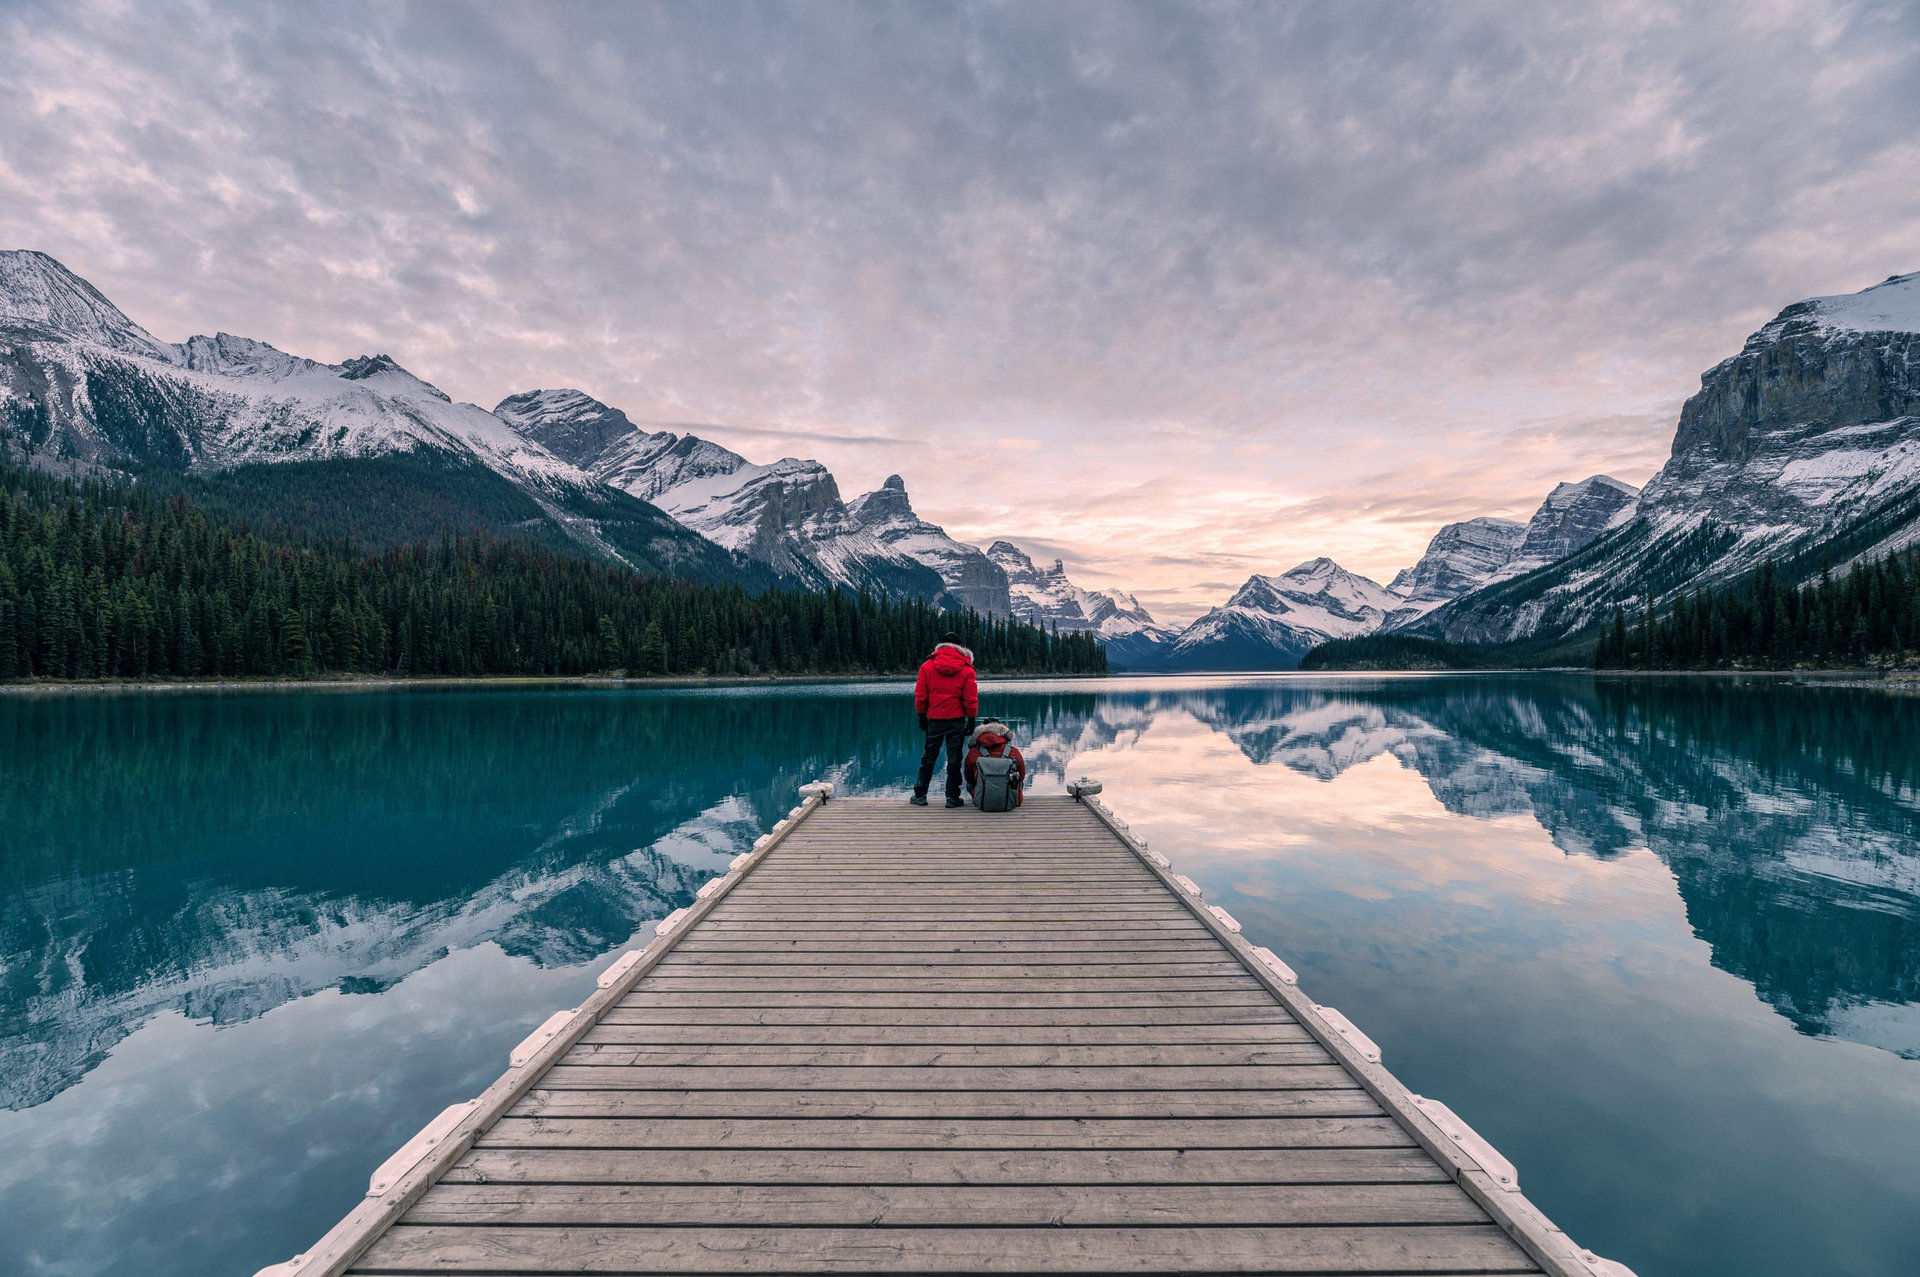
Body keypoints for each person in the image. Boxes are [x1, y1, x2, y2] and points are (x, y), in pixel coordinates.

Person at [911, 632, 977, 807]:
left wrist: (921, 715)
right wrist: (971, 719)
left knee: (929, 757)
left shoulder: (927, 666)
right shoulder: (966, 669)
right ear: (960, 647)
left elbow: (920, 696)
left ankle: (920, 795)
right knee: (955, 758)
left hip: (935, 719)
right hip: (956, 720)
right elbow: (970, 698)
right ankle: (952, 798)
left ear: (941, 645)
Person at [964, 720, 1027, 810]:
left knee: (969, 785)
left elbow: (969, 779)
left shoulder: (974, 752)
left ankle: (985, 798)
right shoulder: (1013, 751)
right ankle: (1011, 798)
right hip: (1009, 801)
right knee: (1019, 782)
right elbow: (1021, 777)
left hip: (981, 801)